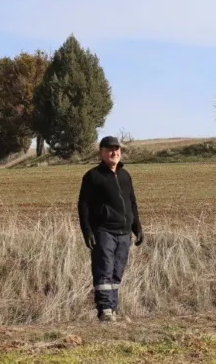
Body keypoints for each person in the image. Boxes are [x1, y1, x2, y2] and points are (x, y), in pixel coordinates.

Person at [77, 135, 144, 322]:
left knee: (117, 272)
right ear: (102, 153)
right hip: (103, 231)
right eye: (109, 150)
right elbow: (83, 206)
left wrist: (137, 226)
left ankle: (113, 309)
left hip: (124, 232)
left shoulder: (125, 175)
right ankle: (105, 310)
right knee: (104, 269)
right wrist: (87, 231)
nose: (114, 153)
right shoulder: (93, 176)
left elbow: (132, 202)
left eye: (117, 150)